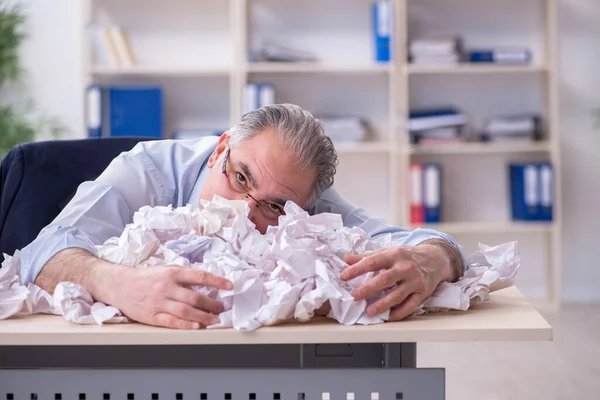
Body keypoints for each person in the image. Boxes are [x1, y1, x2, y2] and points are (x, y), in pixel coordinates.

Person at [19, 104, 464, 330]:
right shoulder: (146, 170)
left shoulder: (304, 207)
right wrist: (118, 282)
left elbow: (417, 240)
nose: (248, 208)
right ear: (220, 150)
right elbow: (42, 251)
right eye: (240, 178)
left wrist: (434, 259)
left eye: (273, 205)